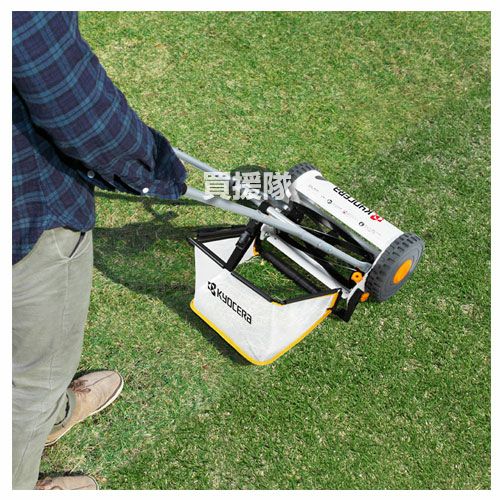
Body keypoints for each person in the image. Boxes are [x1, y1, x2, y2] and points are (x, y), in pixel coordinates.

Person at [12, 11, 187, 490]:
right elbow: (73, 104)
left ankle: (55, 414)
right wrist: (149, 168)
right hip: (23, 218)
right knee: (27, 386)